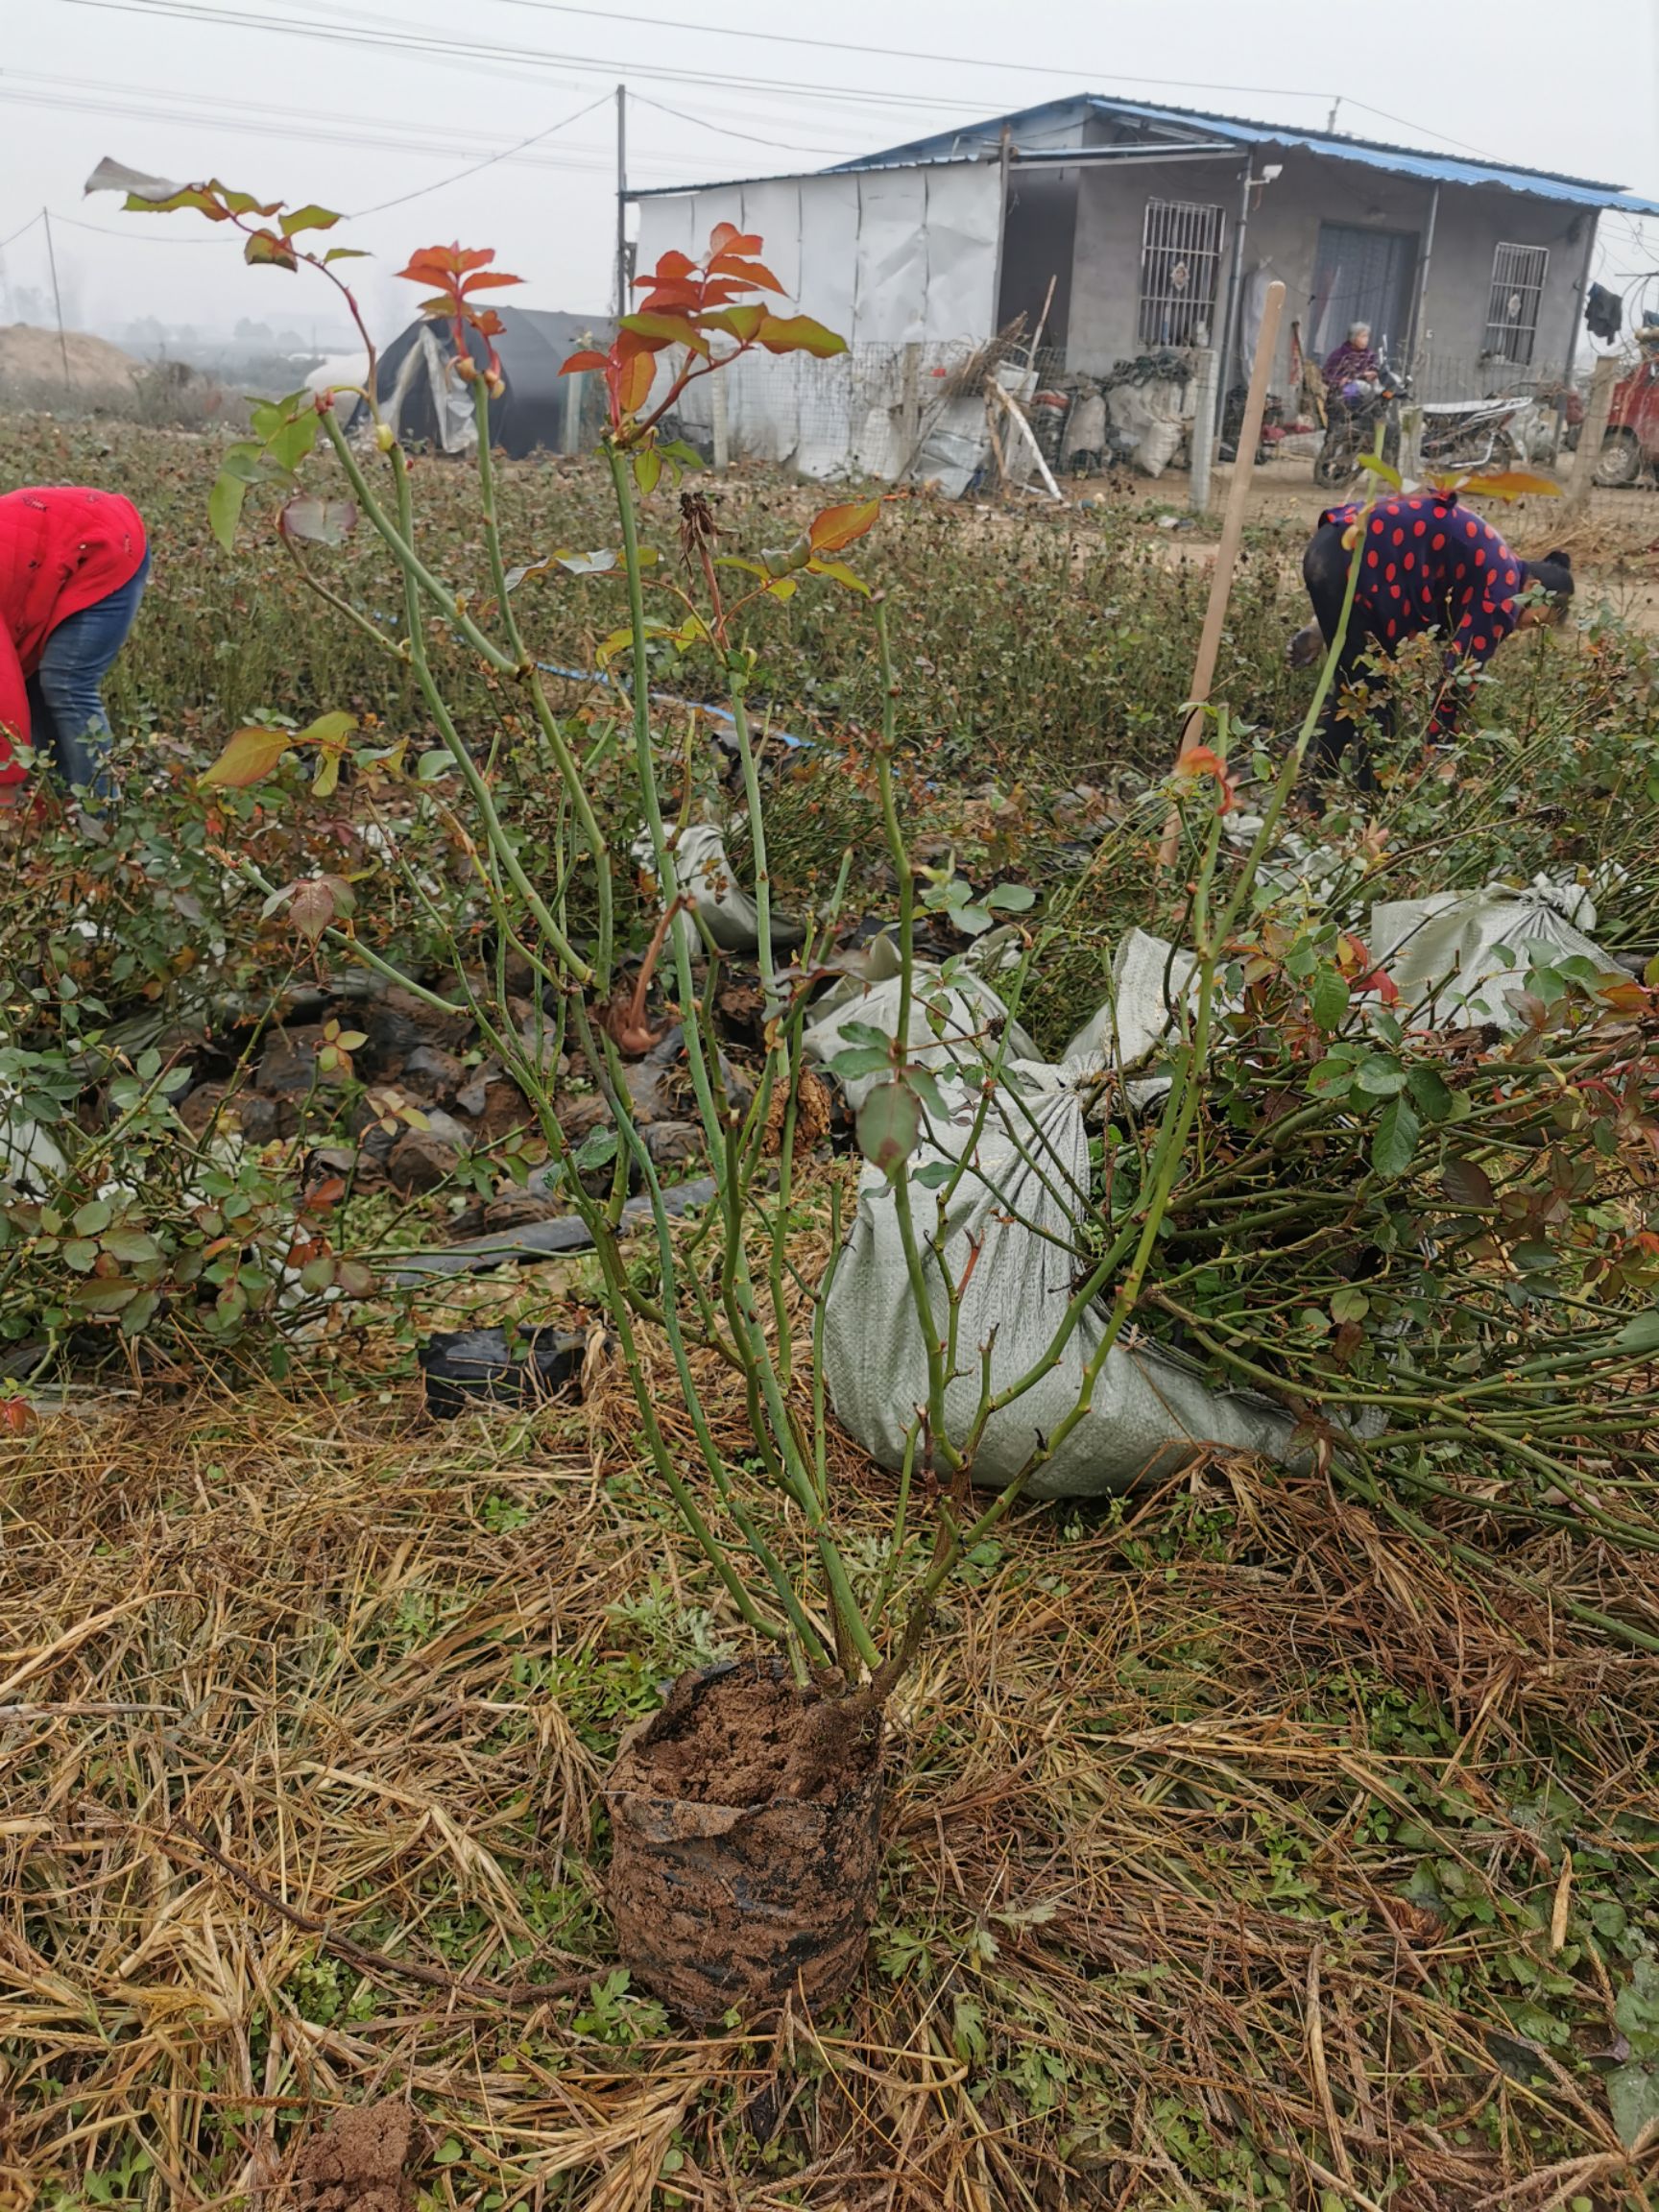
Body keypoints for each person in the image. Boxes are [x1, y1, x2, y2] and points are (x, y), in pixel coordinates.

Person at [1288, 489, 1574, 788]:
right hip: (1349, 562)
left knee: (1360, 687)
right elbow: (1458, 680)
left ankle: (1321, 794)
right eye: (1536, 621)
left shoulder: (1496, 565)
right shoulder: (1502, 595)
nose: (1525, 628)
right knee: (1371, 695)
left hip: (1339, 548)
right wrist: (1441, 755)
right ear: (1535, 587)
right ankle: (1350, 806)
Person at [0, 486, 150, 811]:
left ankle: (99, 818)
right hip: (57, 544)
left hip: (103, 542)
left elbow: (4, 698)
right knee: (35, 685)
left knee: (64, 683)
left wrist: (5, 794)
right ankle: (58, 803)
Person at [1322, 320, 1381, 402]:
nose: (1366, 340)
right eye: (1363, 336)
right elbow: (1330, 377)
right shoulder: (1340, 354)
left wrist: (1373, 375)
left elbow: (1374, 370)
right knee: (1359, 386)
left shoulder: (1369, 355)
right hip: (1341, 393)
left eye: (1367, 336)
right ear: (1353, 338)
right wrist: (1357, 376)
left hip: (1367, 393)